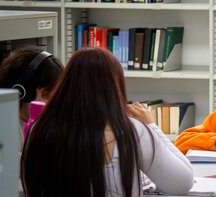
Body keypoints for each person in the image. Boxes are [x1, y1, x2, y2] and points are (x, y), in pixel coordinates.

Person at [20, 47, 193, 196]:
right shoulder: (130, 130)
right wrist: (151, 126)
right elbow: (182, 183)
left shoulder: (38, 127)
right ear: (115, 87)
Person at [0, 46, 64, 146]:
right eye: (46, 95)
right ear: (22, 91)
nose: (53, 104)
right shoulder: (0, 132)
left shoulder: (51, 126)